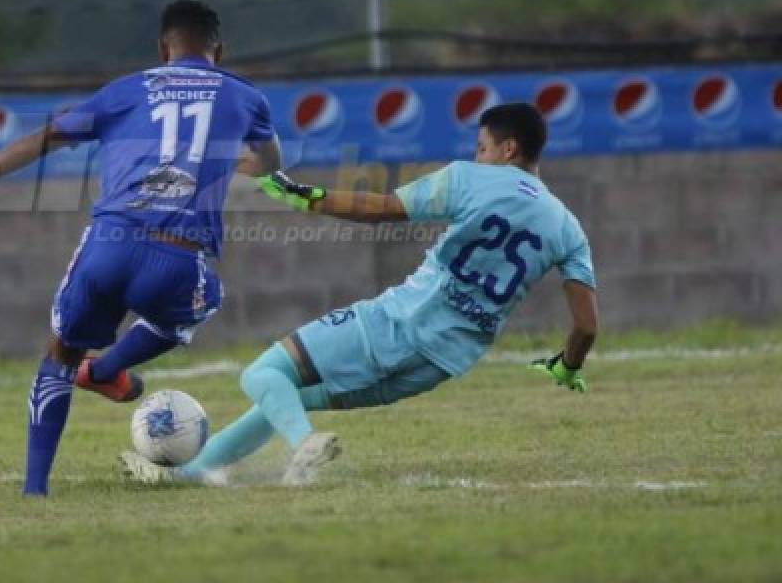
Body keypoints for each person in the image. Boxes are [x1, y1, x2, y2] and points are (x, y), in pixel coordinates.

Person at [120, 102, 598, 487]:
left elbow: (379, 209)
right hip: (447, 360)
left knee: (263, 373)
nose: (478, 157)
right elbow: (585, 325)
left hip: (400, 322)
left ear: (509, 148)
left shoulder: (472, 179)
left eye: (482, 147)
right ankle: (193, 473)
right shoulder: (566, 226)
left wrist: (299, 194)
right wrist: (568, 366)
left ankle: (304, 446)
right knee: (292, 395)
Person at [0, 0, 282, 496]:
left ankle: (34, 488)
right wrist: (230, 163)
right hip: (176, 255)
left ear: (161, 49)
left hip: (108, 244)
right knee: (195, 307)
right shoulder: (245, 96)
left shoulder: (126, 90)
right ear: (221, 49)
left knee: (59, 355)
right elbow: (268, 162)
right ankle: (107, 369)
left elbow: (44, 139)